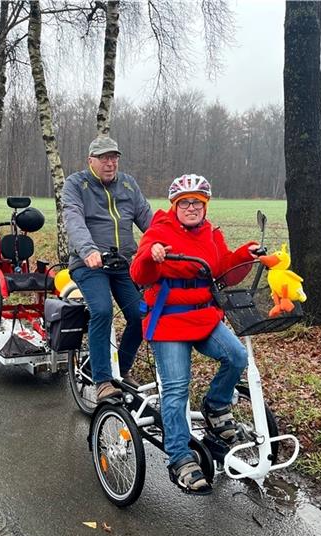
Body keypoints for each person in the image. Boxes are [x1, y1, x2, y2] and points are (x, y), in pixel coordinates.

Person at [130, 174, 260, 495]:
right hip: (169, 322)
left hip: (203, 318)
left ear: (205, 206)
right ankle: (179, 456)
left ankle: (215, 406)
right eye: (185, 202)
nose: (191, 207)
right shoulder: (159, 231)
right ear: (175, 206)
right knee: (175, 391)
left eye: (197, 202)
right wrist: (151, 254)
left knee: (237, 356)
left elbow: (223, 270)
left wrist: (246, 254)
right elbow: (138, 272)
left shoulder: (211, 234)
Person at [62, 136, 153, 400]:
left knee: (140, 315)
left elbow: (147, 218)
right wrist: (88, 250)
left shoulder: (127, 184)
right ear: (91, 160)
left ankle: (122, 369)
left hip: (123, 263)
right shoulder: (76, 184)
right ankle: (102, 380)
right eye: (103, 158)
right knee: (102, 310)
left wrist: (166, 242)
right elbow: (74, 218)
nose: (110, 163)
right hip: (89, 263)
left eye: (114, 157)